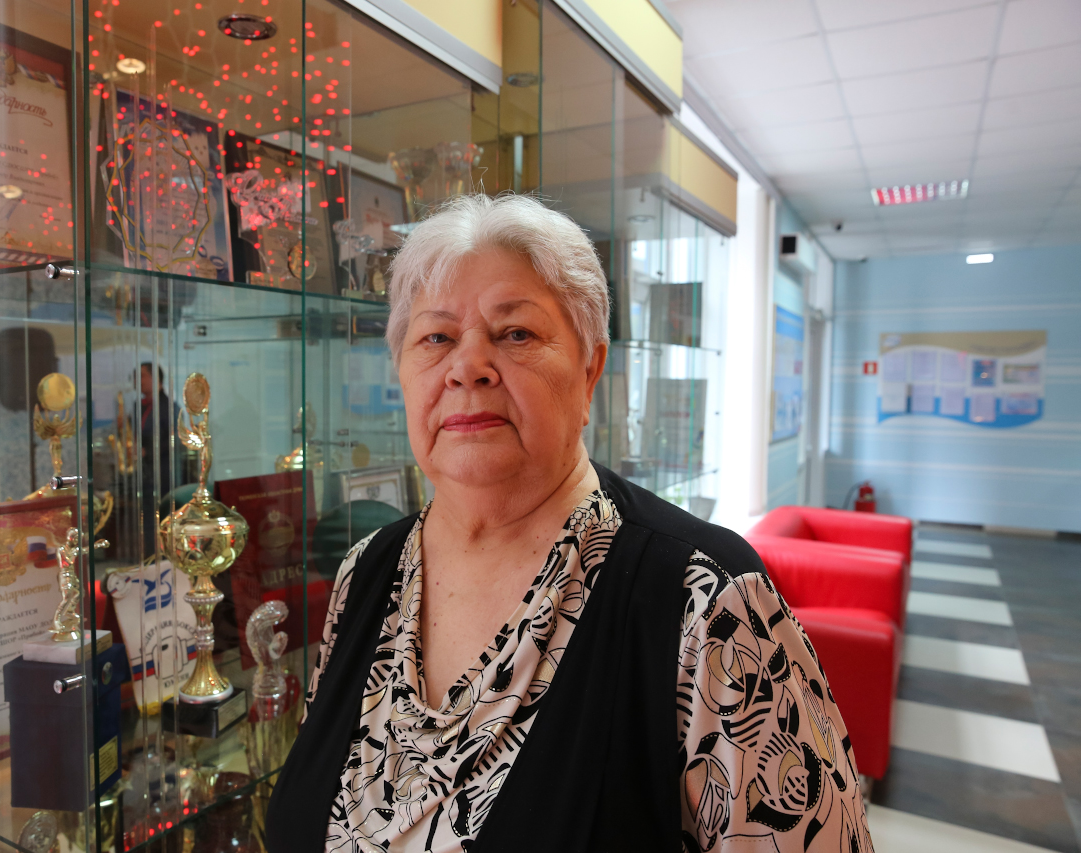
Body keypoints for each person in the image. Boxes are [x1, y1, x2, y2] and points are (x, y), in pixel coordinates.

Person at [266, 195, 871, 852]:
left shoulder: (705, 601)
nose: (467, 367)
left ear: (590, 371)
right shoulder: (366, 570)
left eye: (515, 334)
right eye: (436, 337)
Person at [139, 361, 177, 556]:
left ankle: (165, 556)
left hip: (162, 472)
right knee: (147, 518)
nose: (139, 381)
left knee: (163, 517)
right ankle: (150, 557)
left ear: (156, 379)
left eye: (143, 376)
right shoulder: (141, 406)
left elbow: (173, 439)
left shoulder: (168, 407)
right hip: (145, 472)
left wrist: (148, 451)